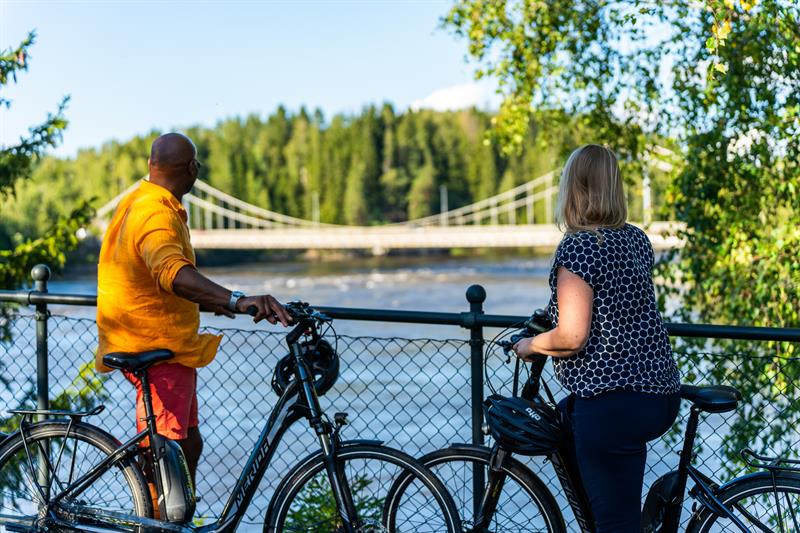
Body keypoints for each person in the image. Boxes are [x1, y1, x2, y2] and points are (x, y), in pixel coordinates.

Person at [95, 132, 291, 513]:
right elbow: (172, 272)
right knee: (164, 452)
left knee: (188, 442)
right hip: (156, 349)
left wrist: (210, 302)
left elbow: (150, 279)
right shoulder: (156, 214)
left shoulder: (138, 201)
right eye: (196, 162)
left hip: (147, 337)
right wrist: (236, 300)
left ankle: (179, 514)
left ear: (152, 166)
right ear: (191, 168)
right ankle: (155, 521)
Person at [513, 144, 681, 532]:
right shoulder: (635, 239)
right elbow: (612, 301)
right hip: (659, 393)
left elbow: (572, 337)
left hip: (615, 401)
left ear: (573, 188)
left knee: (614, 524)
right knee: (571, 419)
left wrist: (531, 345)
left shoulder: (579, 247)